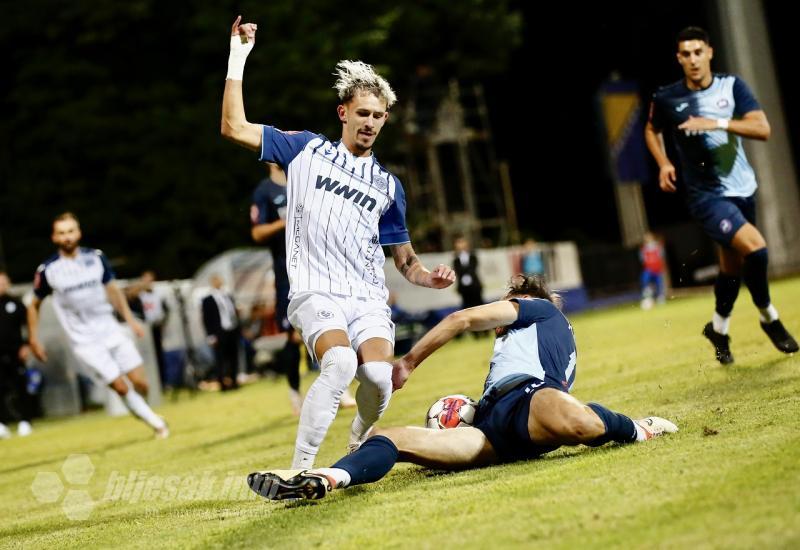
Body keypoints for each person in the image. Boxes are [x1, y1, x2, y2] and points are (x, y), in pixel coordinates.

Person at [221, 16, 456, 469]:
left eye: (378, 116)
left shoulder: (389, 186)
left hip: (366, 297)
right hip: (314, 289)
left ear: (386, 120)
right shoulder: (306, 151)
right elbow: (233, 126)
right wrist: (238, 55)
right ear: (343, 112)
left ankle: (358, 441)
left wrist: (429, 278)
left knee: (378, 377)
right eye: (362, 112)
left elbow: (405, 261)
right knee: (341, 365)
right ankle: (299, 470)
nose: (369, 122)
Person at [246, 274, 678, 501]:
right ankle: (328, 477)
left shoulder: (537, 309)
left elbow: (461, 318)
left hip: (532, 401)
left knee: (579, 422)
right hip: (492, 431)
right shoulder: (532, 339)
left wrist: (409, 362)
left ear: (517, 300)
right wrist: (468, 409)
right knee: (388, 438)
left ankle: (636, 428)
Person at [644, 26, 797, 364]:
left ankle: (718, 328)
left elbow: (763, 128)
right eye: (686, 54)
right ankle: (769, 317)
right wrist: (663, 162)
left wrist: (719, 123)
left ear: (710, 52)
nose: (693, 59)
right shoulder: (667, 98)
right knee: (755, 250)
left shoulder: (732, 87)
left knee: (731, 266)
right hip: (706, 197)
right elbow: (652, 129)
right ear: (679, 59)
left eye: (698, 51)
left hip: (743, 189)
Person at [27, 213, 169, 438]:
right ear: (54, 237)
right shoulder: (48, 270)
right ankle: (157, 425)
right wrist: (33, 339)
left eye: (71, 231)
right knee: (121, 387)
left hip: (111, 330)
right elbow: (33, 305)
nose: (67, 237)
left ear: (79, 233)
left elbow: (113, 290)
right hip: (84, 341)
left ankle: (144, 408)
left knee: (141, 383)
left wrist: (130, 320)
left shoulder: (95, 258)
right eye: (62, 233)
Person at [0, 271, 35, 438]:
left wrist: (27, 345)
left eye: (3, 283)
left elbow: (29, 325)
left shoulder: (15, 303)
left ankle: (25, 421)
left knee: (21, 387)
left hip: (15, 353)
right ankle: (2, 424)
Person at [127, 270, 169, 387]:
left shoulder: (158, 294)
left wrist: (162, 322)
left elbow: (164, 311)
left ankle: (162, 382)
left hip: (155, 329)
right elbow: (129, 297)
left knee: (158, 355)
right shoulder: (138, 295)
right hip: (144, 330)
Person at [201, 274, 241, 391]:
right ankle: (222, 384)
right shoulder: (208, 300)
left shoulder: (228, 296)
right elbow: (206, 319)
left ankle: (234, 381)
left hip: (231, 330)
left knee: (233, 357)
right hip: (219, 333)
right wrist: (211, 336)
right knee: (220, 359)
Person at [453, 236, 483, 310]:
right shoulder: (456, 260)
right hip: (463, 288)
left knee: (479, 306)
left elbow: (473, 268)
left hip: (475, 286)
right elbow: (458, 271)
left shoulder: (473, 257)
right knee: (467, 308)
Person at [639, 232, 666, 309]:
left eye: (649, 237)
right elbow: (643, 260)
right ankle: (647, 294)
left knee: (659, 283)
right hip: (649, 269)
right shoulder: (644, 249)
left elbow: (661, 257)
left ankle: (660, 297)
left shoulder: (658, 246)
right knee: (645, 279)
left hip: (657, 269)